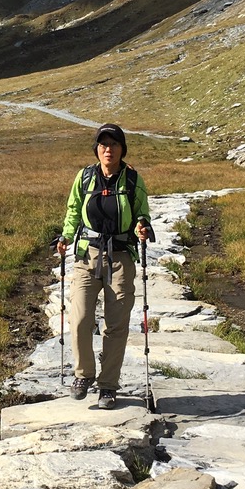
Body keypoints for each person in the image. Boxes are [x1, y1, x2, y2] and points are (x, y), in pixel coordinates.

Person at [56, 123, 152, 409]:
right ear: (96, 149)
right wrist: (65, 236)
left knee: (116, 324)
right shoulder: (85, 177)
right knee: (80, 318)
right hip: (87, 255)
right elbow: (74, 211)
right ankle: (83, 375)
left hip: (121, 257)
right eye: (103, 144)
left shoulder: (132, 179)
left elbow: (142, 212)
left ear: (122, 149)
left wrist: (142, 226)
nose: (108, 149)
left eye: (113, 144)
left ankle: (108, 385)